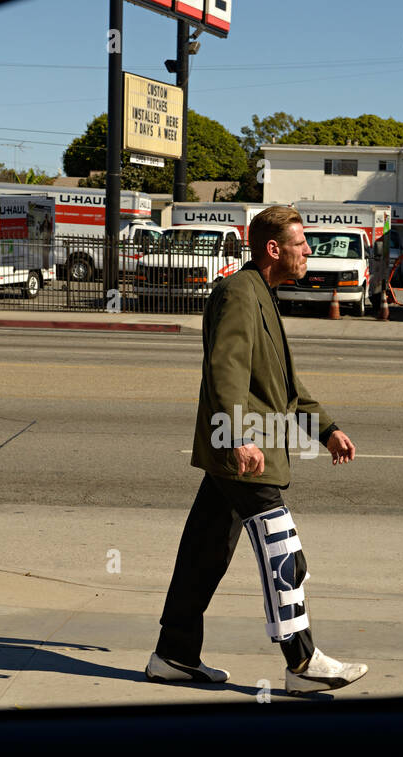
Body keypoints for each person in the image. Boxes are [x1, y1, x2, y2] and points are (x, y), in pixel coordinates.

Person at [149, 205, 369, 695]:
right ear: (274, 249)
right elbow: (224, 368)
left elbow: (286, 388)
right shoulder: (240, 294)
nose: (309, 251)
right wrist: (240, 435)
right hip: (247, 451)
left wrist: (327, 430)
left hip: (242, 450)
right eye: (301, 243)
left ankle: (173, 655)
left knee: (203, 554)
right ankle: (303, 661)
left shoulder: (261, 294)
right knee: (283, 549)